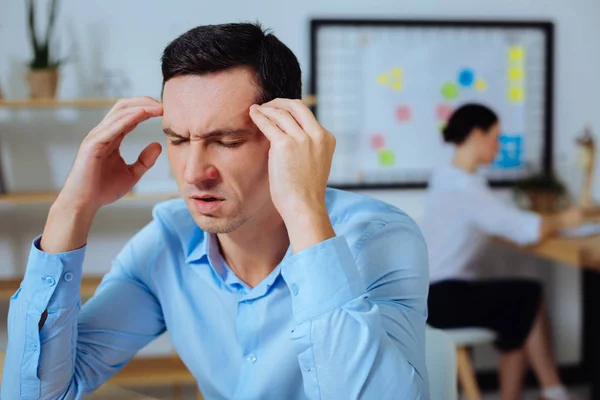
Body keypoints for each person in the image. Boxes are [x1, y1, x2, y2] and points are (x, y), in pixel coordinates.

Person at [2, 23, 430, 399]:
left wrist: (304, 211)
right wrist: (72, 207)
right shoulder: (166, 242)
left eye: (226, 141)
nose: (193, 174)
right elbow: (38, 393)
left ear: (288, 135)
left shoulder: (380, 237)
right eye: (177, 140)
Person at [422, 103, 582, 400]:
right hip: (441, 297)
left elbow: (506, 221)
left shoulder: (448, 178)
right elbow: (524, 228)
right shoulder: (464, 189)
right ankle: (553, 390)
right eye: (495, 137)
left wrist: (542, 223)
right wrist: (565, 219)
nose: (499, 145)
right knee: (527, 295)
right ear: (475, 134)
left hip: (432, 294)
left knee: (520, 302)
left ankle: (544, 390)